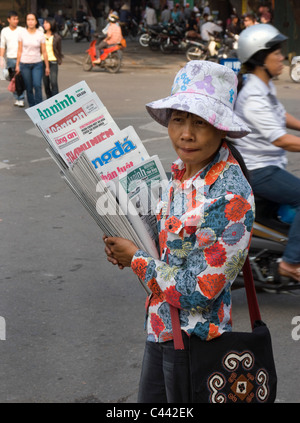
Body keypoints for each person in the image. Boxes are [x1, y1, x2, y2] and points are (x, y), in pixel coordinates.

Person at [103, 60, 254, 402]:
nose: (186, 133)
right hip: (162, 328)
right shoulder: (182, 172)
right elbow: (168, 240)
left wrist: (137, 259)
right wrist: (121, 240)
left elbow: (199, 290)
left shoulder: (230, 196)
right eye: (179, 120)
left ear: (221, 128)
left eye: (200, 123)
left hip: (195, 341)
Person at [234, 24, 300, 282]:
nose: (282, 57)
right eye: (276, 53)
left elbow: (280, 116)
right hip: (259, 170)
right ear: (260, 58)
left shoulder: (263, 86)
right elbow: (282, 140)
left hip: (268, 165)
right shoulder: (253, 97)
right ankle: (291, 263)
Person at [15, 13, 49, 107]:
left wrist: (47, 66)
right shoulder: (22, 34)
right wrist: (17, 65)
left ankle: (39, 107)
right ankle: (32, 107)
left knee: (37, 85)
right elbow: (19, 50)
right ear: (26, 21)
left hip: (37, 64)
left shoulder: (40, 34)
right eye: (28, 19)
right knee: (29, 87)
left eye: (32, 19)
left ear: (36, 21)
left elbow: (44, 51)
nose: (30, 22)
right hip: (24, 64)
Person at [0, 10, 25, 107]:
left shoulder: (22, 30)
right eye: (14, 19)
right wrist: (1, 58)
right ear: (8, 20)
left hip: (21, 58)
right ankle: (16, 97)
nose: (16, 21)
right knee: (13, 79)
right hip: (10, 58)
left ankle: (21, 98)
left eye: (17, 19)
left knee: (20, 79)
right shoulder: (4, 31)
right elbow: (2, 46)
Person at [42, 17, 63, 98]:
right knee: (46, 83)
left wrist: (59, 59)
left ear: (51, 24)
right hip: (43, 61)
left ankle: (55, 100)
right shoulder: (41, 36)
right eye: (44, 23)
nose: (44, 25)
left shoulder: (57, 37)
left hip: (53, 61)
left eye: (47, 23)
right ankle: (48, 99)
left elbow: (59, 50)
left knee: (53, 82)